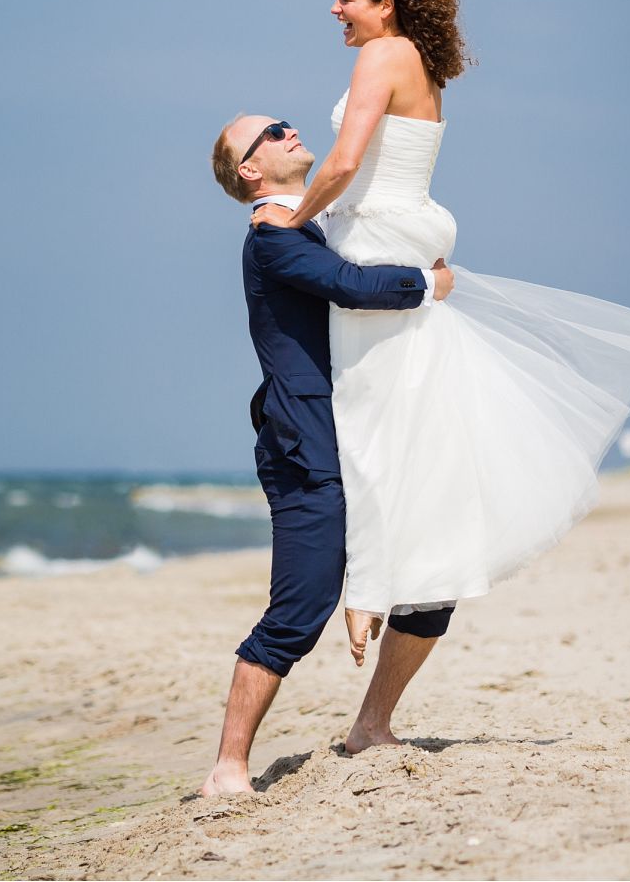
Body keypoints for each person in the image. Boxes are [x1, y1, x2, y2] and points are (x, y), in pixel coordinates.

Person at [251, 0, 630, 668]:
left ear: (386, 3)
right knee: (405, 424)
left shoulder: (380, 56)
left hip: (376, 242)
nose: (334, 9)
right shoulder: (426, 64)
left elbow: (345, 161)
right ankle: (383, 591)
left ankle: (368, 591)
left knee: (371, 427)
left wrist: (294, 217)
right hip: (407, 232)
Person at [201, 113, 456, 795]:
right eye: (274, 132)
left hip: (364, 437)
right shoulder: (271, 238)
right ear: (251, 171)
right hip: (305, 450)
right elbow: (352, 285)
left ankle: (372, 725)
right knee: (300, 609)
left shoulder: (311, 222)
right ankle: (228, 767)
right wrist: (428, 283)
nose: (291, 132)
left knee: (432, 583)